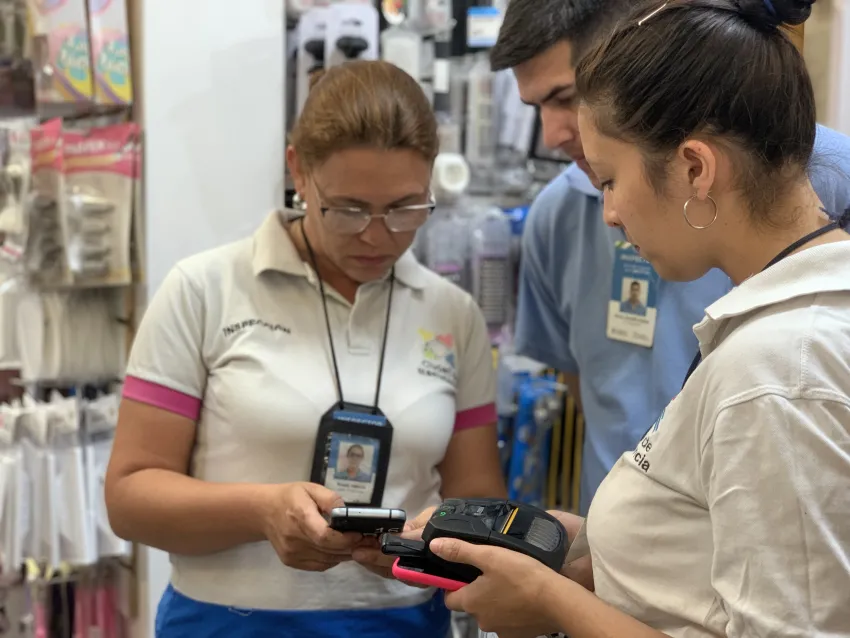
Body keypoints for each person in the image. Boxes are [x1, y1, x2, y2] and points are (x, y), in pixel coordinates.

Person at [427, 1, 850, 636]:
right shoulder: (784, 331)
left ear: (695, 168)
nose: (610, 214)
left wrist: (549, 599)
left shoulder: (773, 374)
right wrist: (590, 550)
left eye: (609, 181)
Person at [104, 60, 506, 638]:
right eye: (348, 209)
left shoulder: (452, 313)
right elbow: (130, 497)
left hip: (402, 621)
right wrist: (262, 511)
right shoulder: (204, 290)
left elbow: (478, 502)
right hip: (228, 624)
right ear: (299, 169)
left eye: (405, 209)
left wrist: (418, 547)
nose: (377, 235)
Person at [490, 0, 850, 514]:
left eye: (566, 97)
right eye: (534, 108)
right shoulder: (557, 216)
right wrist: (610, 541)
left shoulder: (820, 186)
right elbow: (580, 385)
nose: (551, 135)